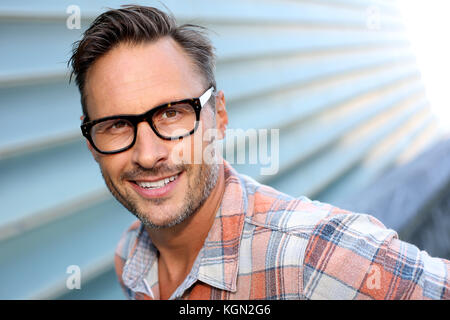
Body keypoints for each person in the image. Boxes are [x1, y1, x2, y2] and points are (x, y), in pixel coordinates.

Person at [69, 5, 449, 300]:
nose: (148, 155)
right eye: (117, 124)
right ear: (91, 142)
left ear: (218, 117)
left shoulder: (315, 251)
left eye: (172, 113)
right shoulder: (130, 257)